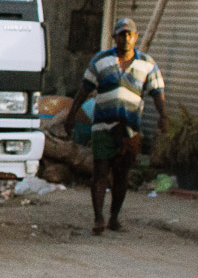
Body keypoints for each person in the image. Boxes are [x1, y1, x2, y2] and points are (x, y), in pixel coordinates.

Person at [64, 17, 168, 235]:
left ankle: (114, 218)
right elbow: (84, 89)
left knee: (122, 174)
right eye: (122, 34)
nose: (126, 38)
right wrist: (72, 114)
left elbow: (157, 92)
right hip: (103, 126)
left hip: (130, 129)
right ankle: (98, 217)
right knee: (100, 171)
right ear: (115, 37)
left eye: (130, 34)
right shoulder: (101, 61)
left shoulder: (147, 64)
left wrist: (163, 116)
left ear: (136, 37)